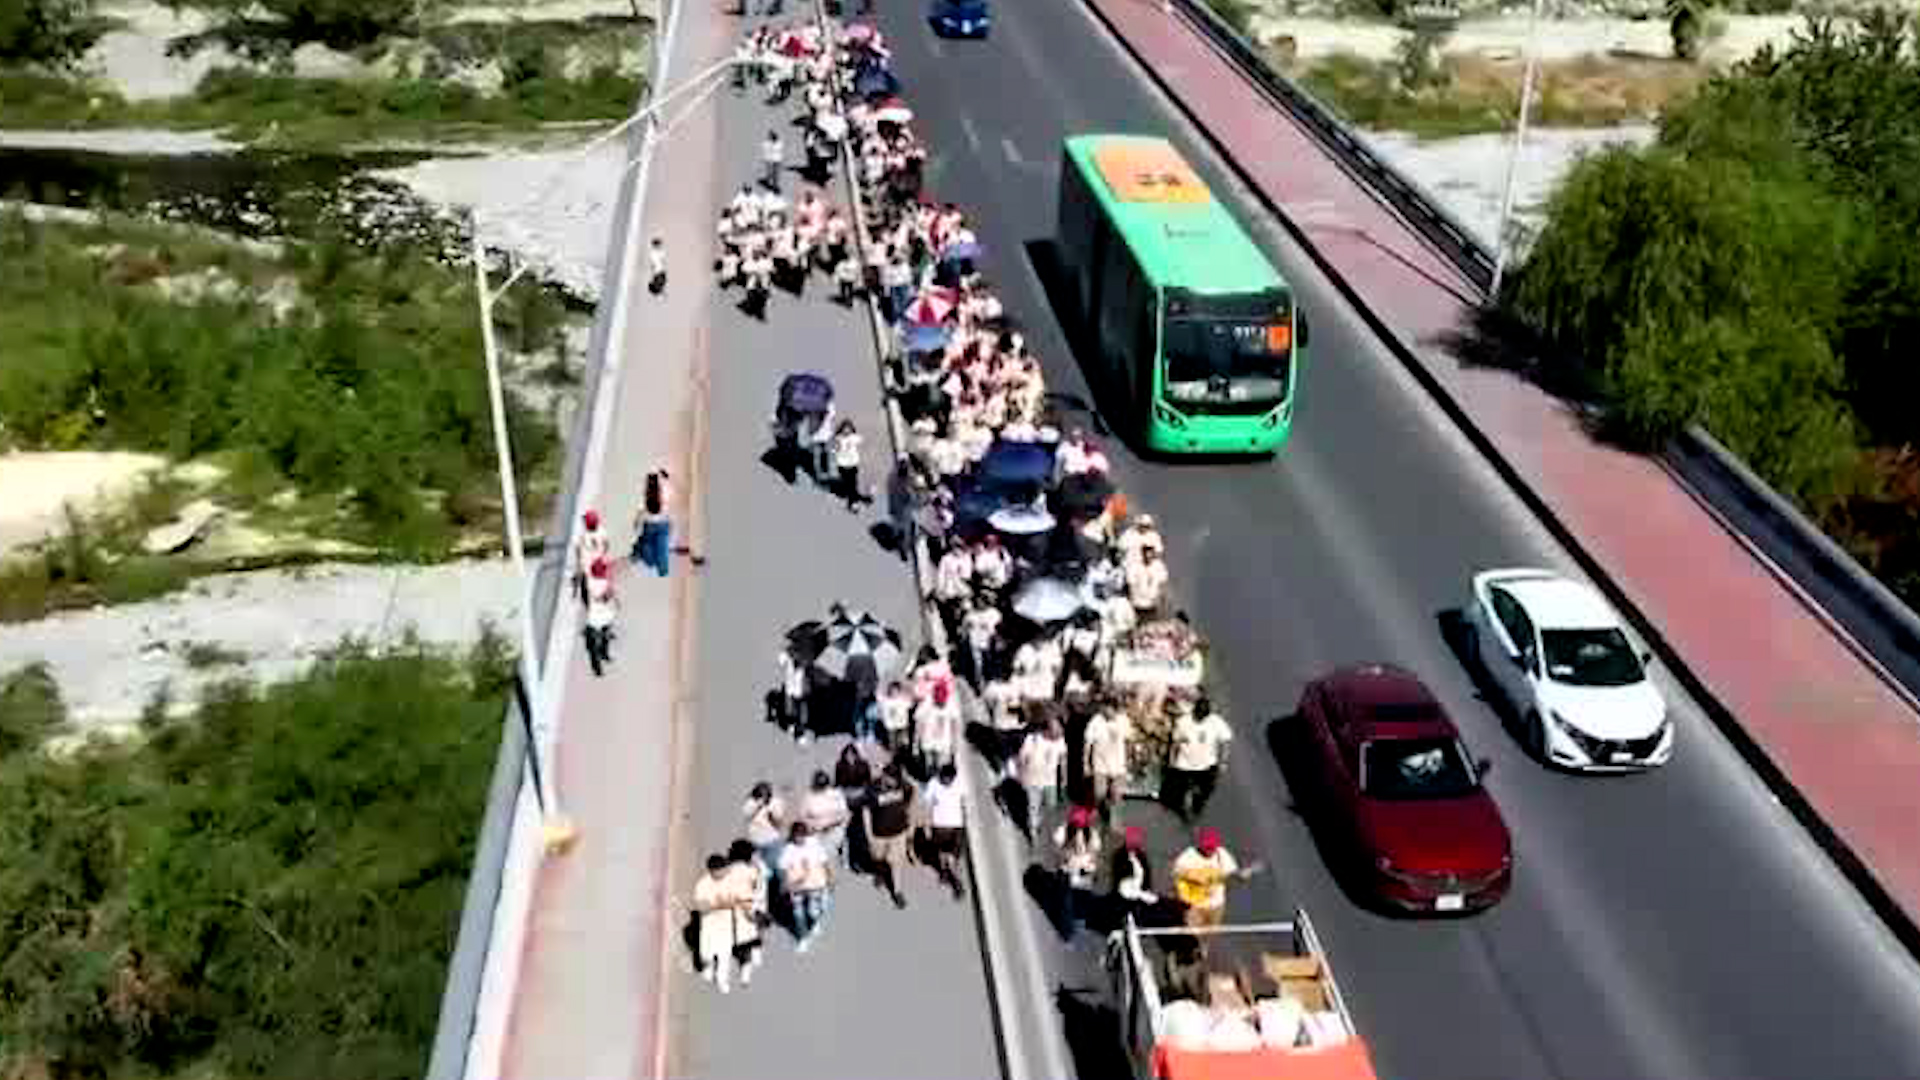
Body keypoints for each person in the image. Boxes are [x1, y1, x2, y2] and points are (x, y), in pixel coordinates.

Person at [1171, 827, 1256, 937]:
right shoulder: (1188, 855)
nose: (1209, 850)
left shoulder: (1222, 855)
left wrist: (1241, 876)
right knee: (1192, 936)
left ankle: (1203, 950)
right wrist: (1194, 877)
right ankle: (1191, 950)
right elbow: (1176, 872)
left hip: (1216, 906)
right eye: (1207, 846)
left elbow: (1232, 874)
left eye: (1212, 847)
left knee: (1209, 934)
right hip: (1194, 906)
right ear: (1200, 844)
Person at [1164, 697, 1233, 823]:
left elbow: (1225, 741)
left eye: (1202, 716)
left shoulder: (1216, 722)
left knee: (1206, 791)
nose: (1199, 718)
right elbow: (1175, 743)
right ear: (1194, 710)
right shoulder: (1183, 722)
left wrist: (1223, 761)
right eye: (1198, 714)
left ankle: (1197, 805)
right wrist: (1172, 760)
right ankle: (1186, 810)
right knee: (1185, 789)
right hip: (1185, 765)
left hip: (1207, 765)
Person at [863, 766, 916, 909]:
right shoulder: (872, 788)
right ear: (884, 776)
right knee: (878, 857)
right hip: (879, 833)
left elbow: (911, 800)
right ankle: (880, 873)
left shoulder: (904, 786)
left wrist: (910, 822)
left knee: (896, 861)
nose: (893, 782)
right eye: (890, 778)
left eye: (896, 779)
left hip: (898, 833)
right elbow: (866, 811)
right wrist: (869, 834)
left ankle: (897, 891)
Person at [693, 854, 745, 993]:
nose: (724, 871)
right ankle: (709, 968)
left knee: (724, 957)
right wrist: (719, 905)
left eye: (724, 868)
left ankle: (722, 981)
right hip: (709, 926)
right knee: (707, 954)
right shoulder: (703, 884)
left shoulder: (730, 882)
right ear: (712, 870)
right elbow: (702, 908)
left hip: (726, 927)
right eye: (721, 869)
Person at [778, 822, 832, 952]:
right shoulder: (788, 849)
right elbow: (783, 868)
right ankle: (803, 939)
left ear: (805, 835)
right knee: (798, 913)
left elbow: (824, 861)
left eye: (801, 836)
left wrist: (830, 876)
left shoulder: (814, 845)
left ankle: (815, 923)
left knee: (813, 912)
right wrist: (785, 883)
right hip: (796, 887)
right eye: (796, 836)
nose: (799, 839)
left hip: (814, 885)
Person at [1053, 805, 1102, 940]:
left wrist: (1089, 863)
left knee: (1082, 899)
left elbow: (1095, 855)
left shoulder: (1092, 835)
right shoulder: (1063, 831)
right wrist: (1068, 856)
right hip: (1068, 872)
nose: (1079, 829)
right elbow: (1058, 852)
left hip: (1084, 873)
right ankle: (1066, 929)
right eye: (1076, 826)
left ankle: (1078, 919)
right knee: (1067, 900)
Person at [1016, 718, 1069, 839]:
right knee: (1033, 806)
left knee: (1051, 804)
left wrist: (1064, 777)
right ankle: (1033, 833)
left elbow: (1063, 759)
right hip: (1033, 780)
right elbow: (1021, 758)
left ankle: (1038, 819)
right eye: (1056, 732)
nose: (1059, 736)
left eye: (1060, 733)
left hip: (1050, 781)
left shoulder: (1060, 741)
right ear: (1047, 730)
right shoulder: (1032, 739)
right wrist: (1021, 775)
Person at [923, 761, 969, 898]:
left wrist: (966, 818)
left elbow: (965, 801)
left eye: (950, 780)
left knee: (954, 857)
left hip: (957, 826)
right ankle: (946, 872)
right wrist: (927, 825)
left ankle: (956, 882)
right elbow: (928, 805)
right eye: (945, 779)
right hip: (940, 826)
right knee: (943, 853)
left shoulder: (960, 782)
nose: (947, 782)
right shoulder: (933, 783)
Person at [1084, 699, 1133, 827]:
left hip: (1118, 765)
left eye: (1108, 708)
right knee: (1099, 793)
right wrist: (1086, 764)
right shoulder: (1095, 721)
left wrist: (1129, 761)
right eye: (1103, 708)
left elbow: (1128, 741)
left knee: (1117, 795)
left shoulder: (1124, 720)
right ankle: (1098, 808)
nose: (1105, 711)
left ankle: (1115, 820)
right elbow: (1088, 744)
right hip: (1100, 764)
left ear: (1114, 709)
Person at [724, 839, 768, 982]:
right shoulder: (758, 868)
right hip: (757, 911)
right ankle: (753, 951)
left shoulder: (732, 870)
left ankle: (747, 957)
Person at [800, 769, 852, 866]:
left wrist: (831, 823)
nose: (822, 789)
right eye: (819, 786)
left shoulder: (836, 794)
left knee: (828, 858)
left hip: (834, 831)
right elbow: (803, 816)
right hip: (816, 833)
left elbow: (844, 813)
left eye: (823, 785)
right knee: (816, 859)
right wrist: (812, 826)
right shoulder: (809, 796)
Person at [1110, 825, 1159, 926]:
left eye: (1136, 840)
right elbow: (1119, 877)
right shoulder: (1119, 855)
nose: (1134, 843)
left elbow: (1147, 876)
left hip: (1140, 892)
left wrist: (1145, 889)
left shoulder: (1142, 857)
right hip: (1124, 892)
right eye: (1132, 840)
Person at [744, 781, 788, 892]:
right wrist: (759, 804)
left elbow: (779, 820)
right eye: (761, 793)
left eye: (766, 793)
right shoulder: (751, 801)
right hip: (755, 841)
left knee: (776, 868)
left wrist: (771, 811)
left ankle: (778, 892)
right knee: (759, 871)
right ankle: (760, 893)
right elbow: (747, 814)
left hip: (772, 840)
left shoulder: (776, 802)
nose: (764, 795)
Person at [913, 680, 960, 776]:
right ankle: (930, 780)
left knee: (940, 766)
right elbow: (918, 725)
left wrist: (955, 744)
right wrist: (915, 744)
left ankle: (938, 783)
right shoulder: (925, 704)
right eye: (939, 702)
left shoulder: (951, 704)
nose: (941, 704)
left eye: (943, 701)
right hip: (928, 742)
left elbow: (955, 726)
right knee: (929, 765)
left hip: (943, 743)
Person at [633, 470, 672, 577]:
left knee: (647, 547)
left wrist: (637, 533)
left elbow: (638, 524)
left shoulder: (645, 503)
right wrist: (665, 477)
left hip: (650, 527)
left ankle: (647, 556)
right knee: (662, 548)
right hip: (663, 525)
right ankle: (662, 570)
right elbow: (668, 487)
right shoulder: (664, 497)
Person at [582, 558, 617, 677]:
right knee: (599, 641)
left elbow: (588, 598)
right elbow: (606, 597)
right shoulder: (601, 583)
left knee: (596, 643)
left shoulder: (590, 581)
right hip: (599, 617)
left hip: (595, 617)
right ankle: (601, 660)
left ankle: (600, 663)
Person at [571, 509, 611, 604]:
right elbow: (607, 545)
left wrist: (578, 564)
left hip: (588, 564)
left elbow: (577, 550)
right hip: (600, 562)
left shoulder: (583, 536)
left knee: (582, 582)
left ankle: (584, 599)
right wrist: (602, 554)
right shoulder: (602, 531)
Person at [831, 419, 868, 511]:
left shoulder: (853, 437)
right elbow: (834, 447)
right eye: (845, 429)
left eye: (849, 429)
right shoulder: (838, 438)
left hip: (853, 463)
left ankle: (854, 501)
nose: (846, 431)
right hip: (842, 464)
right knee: (848, 483)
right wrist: (835, 451)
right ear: (841, 429)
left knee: (853, 482)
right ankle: (855, 500)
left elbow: (862, 440)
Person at [776, 648, 811, 742]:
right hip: (792, 690)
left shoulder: (803, 666)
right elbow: (781, 660)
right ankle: (792, 726)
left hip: (797, 691)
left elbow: (805, 677)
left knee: (799, 712)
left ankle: (799, 733)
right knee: (791, 709)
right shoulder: (789, 660)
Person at [834, 743, 872, 812]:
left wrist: (861, 791)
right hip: (846, 792)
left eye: (852, 755)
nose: (850, 757)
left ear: (856, 755)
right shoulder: (840, 765)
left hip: (861, 792)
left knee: (865, 806)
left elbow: (868, 781)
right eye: (847, 755)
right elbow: (837, 782)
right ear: (844, 755)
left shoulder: (863, 765)